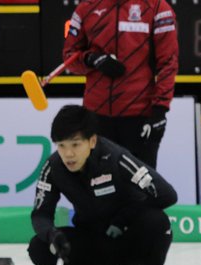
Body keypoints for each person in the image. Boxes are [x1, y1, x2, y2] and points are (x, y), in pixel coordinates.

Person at [29, 105, 175, 265]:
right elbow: (40, 214)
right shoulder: (53, 167)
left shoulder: (116, 158)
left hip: (129, 239)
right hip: (93, 241)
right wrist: (51, 234)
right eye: (61, 146)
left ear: (92, 141)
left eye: (75, 145)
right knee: (38, 247)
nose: (68, 154)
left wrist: (124, 218)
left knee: (158, 221)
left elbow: (167, 194)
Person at [64, 0, 178, 170]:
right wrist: (92, 59)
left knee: (140, 192)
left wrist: (159, 111)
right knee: (99, 190)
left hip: (139, 117)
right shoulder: (86, 7)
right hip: (96, 117)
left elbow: (168, 64)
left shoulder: (157, 7)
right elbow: (69, 57)